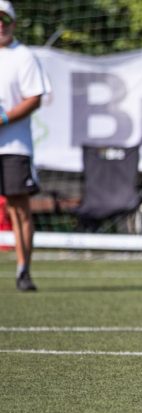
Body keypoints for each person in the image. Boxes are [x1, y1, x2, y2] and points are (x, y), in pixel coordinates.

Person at [0, 1, 49, 292]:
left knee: (19, 209)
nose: (1, 24)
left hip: (15, 146)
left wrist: (4, 118)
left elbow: (35, 97)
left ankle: (23, 270)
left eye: (5, 19)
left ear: (13, 23)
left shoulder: (24, 57)